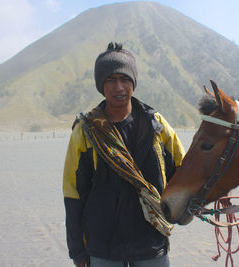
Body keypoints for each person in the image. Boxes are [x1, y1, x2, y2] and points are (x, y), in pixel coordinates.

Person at [63, 42, 185, 267]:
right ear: (101, 85)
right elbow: (73, 194)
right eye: (110, 80)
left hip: (150, 241)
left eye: (125, 79)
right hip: (103, 246)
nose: (119, 86)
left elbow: (185, 168)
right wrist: (77, 251)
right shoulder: (86, 130)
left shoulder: (155, 124)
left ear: (134, 82)